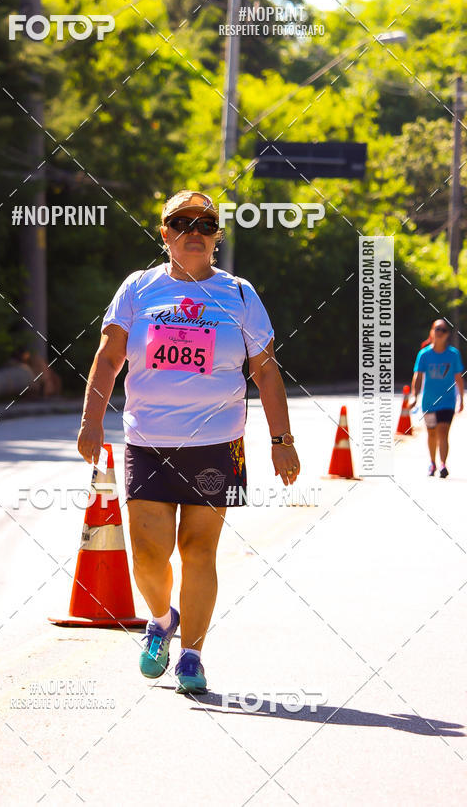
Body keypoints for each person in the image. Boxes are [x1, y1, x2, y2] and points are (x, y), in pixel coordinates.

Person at [77, 190, 300, 694]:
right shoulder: (138, 288)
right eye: (182, 223)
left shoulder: (239, 294)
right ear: (165, 234)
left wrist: (281, 439)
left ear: (217, 236)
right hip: (148, 441)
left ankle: (192, 655)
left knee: (199, 550)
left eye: (205, 224)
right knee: (147, 556)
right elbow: (108, 358)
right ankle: (161, 620)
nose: (194, 232)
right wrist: (91, 420)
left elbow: (265, 371)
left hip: (217, 444)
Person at [408, 319, 464, 477]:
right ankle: (432, 463)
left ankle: (443, 464)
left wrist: (461, 399)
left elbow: (458, 378)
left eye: (443, 330)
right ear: (432, 332)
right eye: (437, 329)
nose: (440, 332)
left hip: (447, 402)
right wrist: (414, 396)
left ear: (447, 334)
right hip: (429, 401)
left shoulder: (453, 354)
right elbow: (418, 376)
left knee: (443, 431)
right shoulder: (424, 354)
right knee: (432, 433)